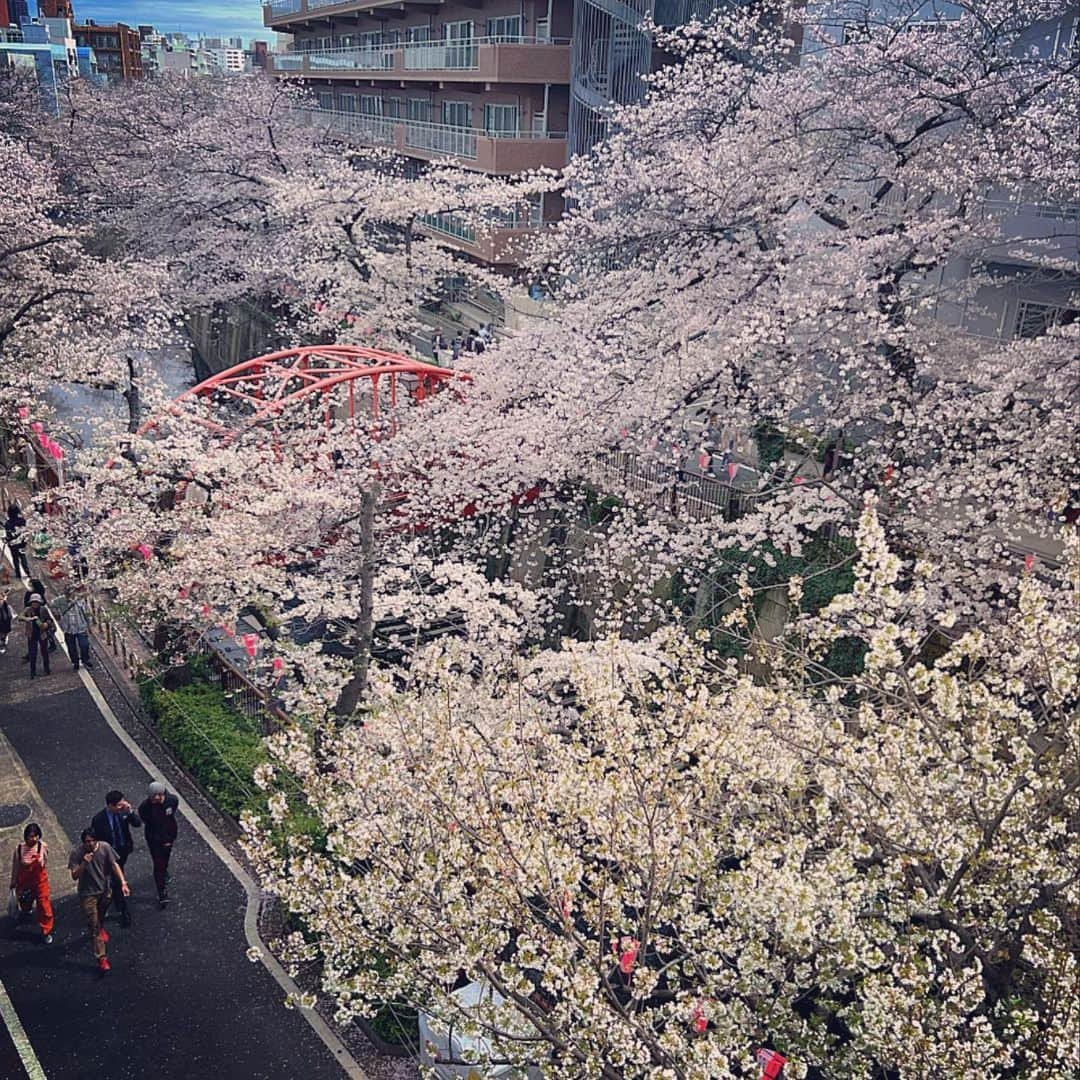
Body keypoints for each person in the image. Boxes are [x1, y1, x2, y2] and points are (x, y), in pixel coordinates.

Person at [68, 828, 129, 974]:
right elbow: (74, 876)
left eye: (91, 841)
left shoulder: (105, 847)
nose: (88, 844)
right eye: (86, 842)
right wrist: (84, 863)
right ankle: (101, 957)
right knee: (93, 927)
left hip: (104, 890)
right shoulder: (77, 853)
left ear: (96, 840)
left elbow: (114, 865)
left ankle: (101, 926)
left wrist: (123, 882)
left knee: (101, 915)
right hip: (87, 894)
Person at [90, 791, 142, 926]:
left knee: (117, 876)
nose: (122, 806)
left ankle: (116, 898)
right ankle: (123, 909)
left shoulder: (123, 813)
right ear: (110, 806)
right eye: (119, 805)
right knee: (117, 879)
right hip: (109, 853)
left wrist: (130, 812)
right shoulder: (99, 820)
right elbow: (95, 839)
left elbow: (137, 823)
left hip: (123, 849)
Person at [9, 823, 54, 944]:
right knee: (25, 902)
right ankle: (26, 911)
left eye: (36, 836)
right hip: (24, 882)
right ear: (25, 837)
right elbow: (16, 866)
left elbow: (45, 861)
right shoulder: (19, 850)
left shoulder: (43, 847)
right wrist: (13, 881)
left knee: (44, 906)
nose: (33, 839)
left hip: (40, 882)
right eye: (31, 836)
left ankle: (46, 931)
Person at [138, 781, 179, 908]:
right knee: (158, 863)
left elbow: (171, 818)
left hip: (169, 836)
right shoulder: (145, 807)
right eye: (153, 796)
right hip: (154, 839)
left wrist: (168, 839)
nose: (155, 798)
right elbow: (150, 824)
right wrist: (161, 840)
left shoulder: (172, 800)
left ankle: (164, 872)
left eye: (158, 795)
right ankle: (161, 893)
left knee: (165, 859)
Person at [54, 587, 93, 671]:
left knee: (84, 645)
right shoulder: (60, 601)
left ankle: (85, 660)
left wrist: (89, 625)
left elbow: (86, 613)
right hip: (68, 628)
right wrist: (56, 614)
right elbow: (53, 606)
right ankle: (75, 662)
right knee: (71, 647)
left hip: (80, 627)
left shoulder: (79, 601)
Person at [23, 593, 55, 677]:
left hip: (42, 633)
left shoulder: (43, 609)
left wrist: (46, 624)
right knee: (32, 653)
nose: (35, 604)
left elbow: (50, 620)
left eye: (36, 602)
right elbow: (20, 617)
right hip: (32, 635)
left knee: (44, 652)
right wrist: (28, 619)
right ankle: (32, 672)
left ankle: (47, 669)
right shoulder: (28, 610)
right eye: (33, 602)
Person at [4, 503, 29, 579]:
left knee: (15, 559)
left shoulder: (8, 523)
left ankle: (18, 573)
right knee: (23, 557)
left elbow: (9, 535)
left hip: (13, 544)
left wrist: (7, 539)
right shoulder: (22, 521)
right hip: (22, 542)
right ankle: (27, 572)